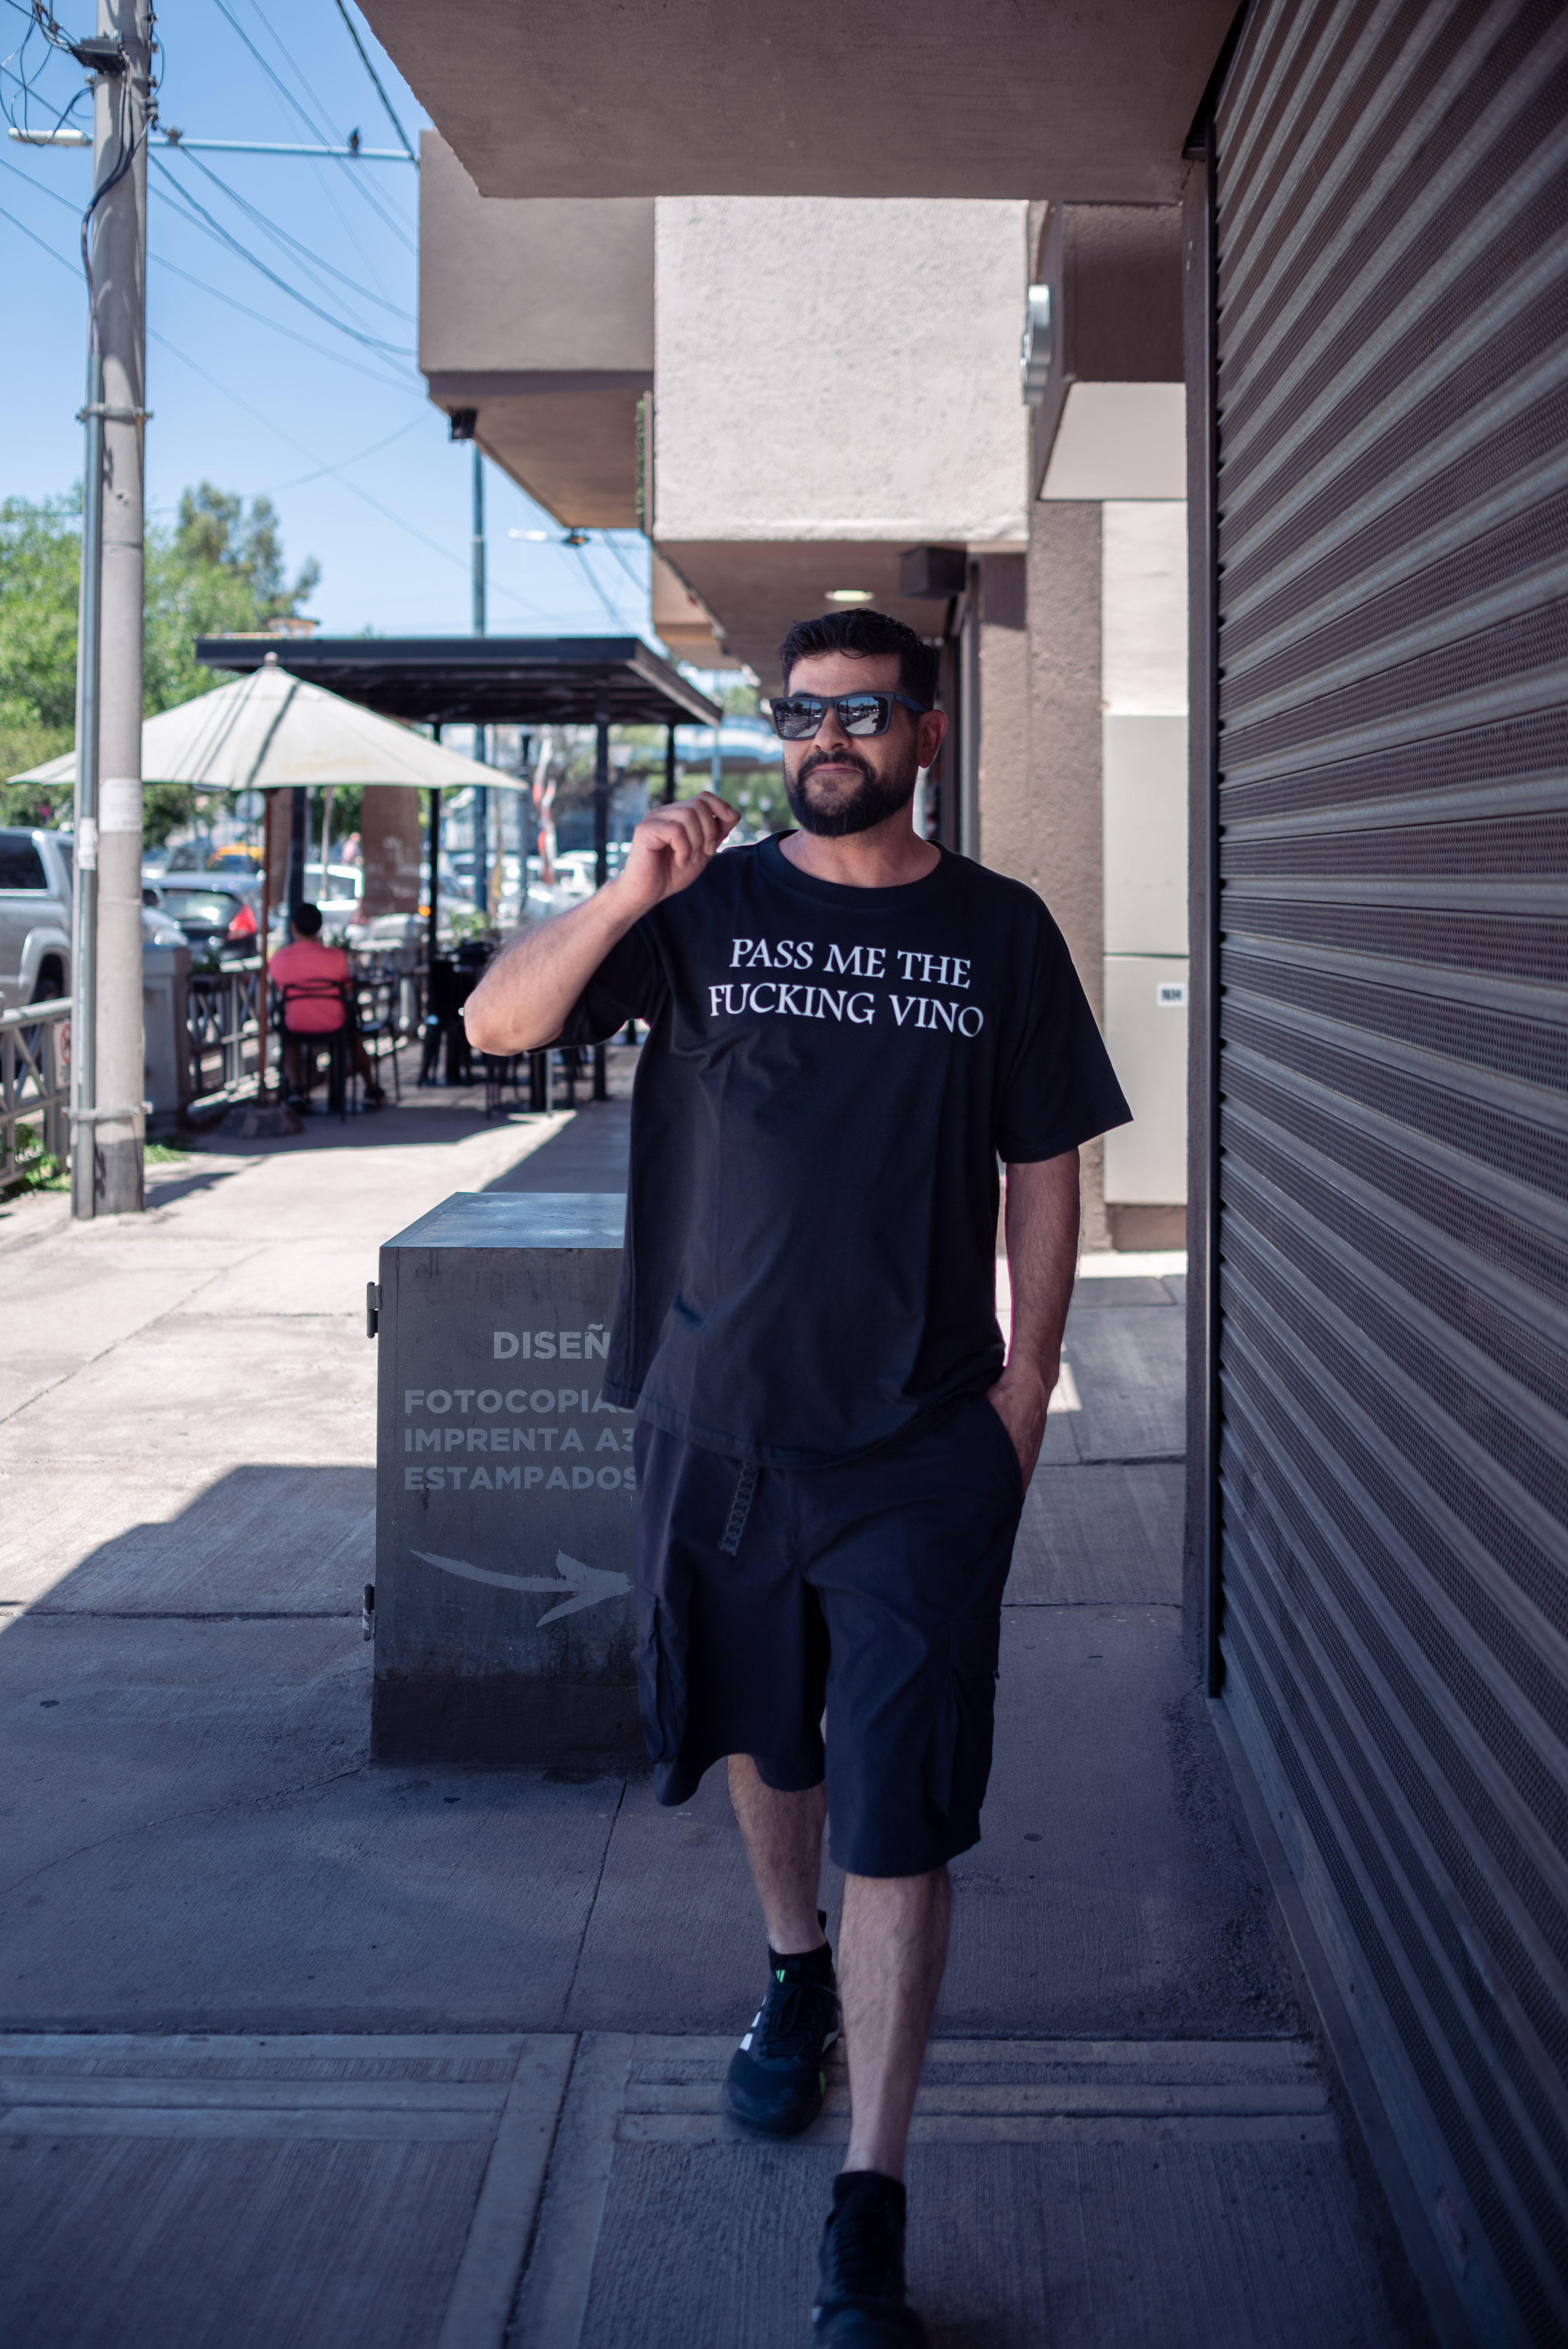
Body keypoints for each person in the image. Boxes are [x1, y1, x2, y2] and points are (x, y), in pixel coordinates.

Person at [464, 608, 1130, 2344]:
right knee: (767, 1735)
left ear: (920, 730)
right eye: (796, 711)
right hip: (716, 1424)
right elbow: (489, 1020)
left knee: (899, 1806)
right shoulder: (701, 908)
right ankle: (786, 1978)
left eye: (857, 710)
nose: (821, 735)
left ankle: (869, 2203)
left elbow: (1044, 1163)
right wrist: (625, 893)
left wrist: (1028, 1378)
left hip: (918, 1445)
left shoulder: (995, 932)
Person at [268, 902, 385, 1108]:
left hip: (297, 1025)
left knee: (288, 1039)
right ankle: (371, 1085)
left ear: (293, 927)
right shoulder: (336, 956)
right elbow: (347, 988)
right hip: (334, 1025)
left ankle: (295, 1088)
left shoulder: (279, 958)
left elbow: (280, 989)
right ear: (319, 928)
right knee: (353, 1036)